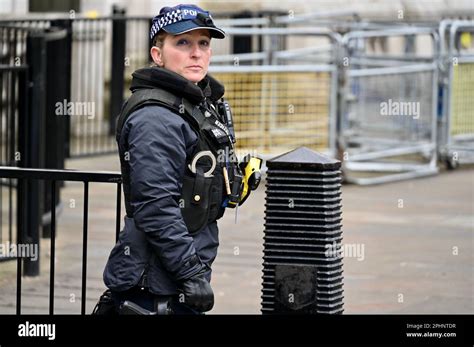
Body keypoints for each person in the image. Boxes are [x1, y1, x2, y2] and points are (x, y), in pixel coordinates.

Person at [101, 4, 244, 315]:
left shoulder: (191, 103)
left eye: (203, 43)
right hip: (154, 288)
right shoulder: (157, 117)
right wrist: (190, 273)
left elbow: (193, 182)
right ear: (157, 54)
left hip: (173, 279)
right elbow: (155, 206)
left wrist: (235, 180)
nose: (196, 53)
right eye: (182, 43)